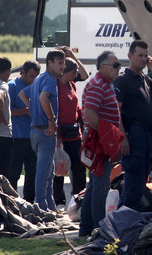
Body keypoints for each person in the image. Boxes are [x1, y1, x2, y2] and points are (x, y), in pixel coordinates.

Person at [114, 40, 152, 211]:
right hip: (133, 133)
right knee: (133, 178)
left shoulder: (144, 78)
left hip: (146, 133)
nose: (144, 59)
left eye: (146, 56)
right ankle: (124, 220)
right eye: (140, 55)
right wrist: (122, 137)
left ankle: (132, 218)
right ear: (130, 56)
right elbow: (116, 112)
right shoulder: (123, 80)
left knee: (141, 178)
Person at [79, 51, 126, 237]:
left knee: (94, 185)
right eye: (115, 65)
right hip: (99, 141)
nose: (118, 68)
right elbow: (90, 113)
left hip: (101, 139)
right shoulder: (98, 85)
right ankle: (99, 230)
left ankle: (86, 228)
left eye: (119, 65)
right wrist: (108, 137)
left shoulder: (106, 84)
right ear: (102, 66)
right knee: (100, 186)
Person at [20, 49, 65, 212]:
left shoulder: (38, 79)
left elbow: (22, 94)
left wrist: (32, 110)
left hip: (35, 131)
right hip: (45, 131)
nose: (63, 66)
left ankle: (50, 206)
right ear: (50, 63)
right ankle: (41, 208)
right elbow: (43, 97)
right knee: (43, 172)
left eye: (63, 62)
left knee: (49, 170)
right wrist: (51, 120)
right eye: (59, 62)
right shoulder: (50, 80)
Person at [52, 58, 86, 208]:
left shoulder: (72, 85)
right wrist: (57, 135)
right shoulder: (56, 86)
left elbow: (76, 106)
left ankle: (78, 198)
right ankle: (59, 201)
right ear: (67, 72)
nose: (76, 75)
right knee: (60, 167)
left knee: (79, 167)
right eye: (74, 72)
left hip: (74, 133)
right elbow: (56, 111)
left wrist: (82, 121)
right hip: (62, 133)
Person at [7, 60, 40, 202]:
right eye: (31, 76)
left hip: (33, 136)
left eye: (36, 77)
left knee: (32, 172)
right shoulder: (12, 86)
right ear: (23, 72)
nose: (33, 80)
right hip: (17, 136)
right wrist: (25, 111)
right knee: (14, 172)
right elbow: (7, 112)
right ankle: (12, 201)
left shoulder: (36, 87)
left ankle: (29, 201)